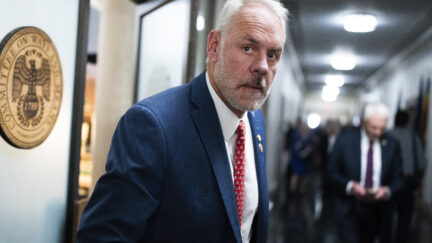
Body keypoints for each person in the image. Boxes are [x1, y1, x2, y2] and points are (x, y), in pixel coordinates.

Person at [76, 0, 288, 242]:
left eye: (272, 55)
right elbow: (102, 237)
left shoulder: (254, 120)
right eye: (248, 48)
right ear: (214, 46)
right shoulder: (154, 125)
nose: (262, 66)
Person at [327, 102, 403, 243]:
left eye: (382, 128)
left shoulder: (392, 144)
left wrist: (386, 191)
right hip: (349, 209)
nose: (377, 132)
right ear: (364, 122)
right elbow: (331, 171)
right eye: (373, 127)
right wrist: (350, 186)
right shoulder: (345, 140)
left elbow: (399, 177)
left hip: (378, 211)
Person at [389, 110, 426, 243]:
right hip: (407, 181)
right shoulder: (413, 137)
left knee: (386, 215)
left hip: (389, 181)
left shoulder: (388, 135)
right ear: (407, 122)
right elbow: (421, 162)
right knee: (405, 216)